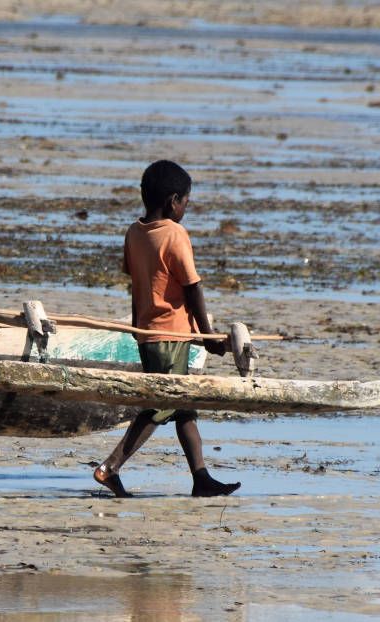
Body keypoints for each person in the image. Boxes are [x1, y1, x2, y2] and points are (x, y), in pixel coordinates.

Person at [93, 160, 241, 498]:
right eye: (187, 202)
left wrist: (136, 325)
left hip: (148, 333)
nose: (186, 208)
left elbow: (137, 283)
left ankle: (201, 478)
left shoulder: (134, 232)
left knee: (183, 406)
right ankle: (109, 467)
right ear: (174, 200)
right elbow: (192, 287)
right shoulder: (175, 234)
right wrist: (209, 337)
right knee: (161, 406)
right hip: (171, 335)